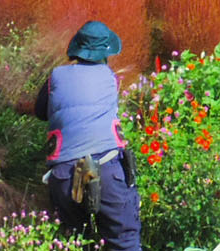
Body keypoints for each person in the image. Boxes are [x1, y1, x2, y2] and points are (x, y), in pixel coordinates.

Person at [33, 21, 141, 250]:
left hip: (64, 173)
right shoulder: (111, 78)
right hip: (108, 168)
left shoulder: (56, 76)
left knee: (75, 242)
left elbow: (41, 111)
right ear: (105, 53)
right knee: (124, 241)